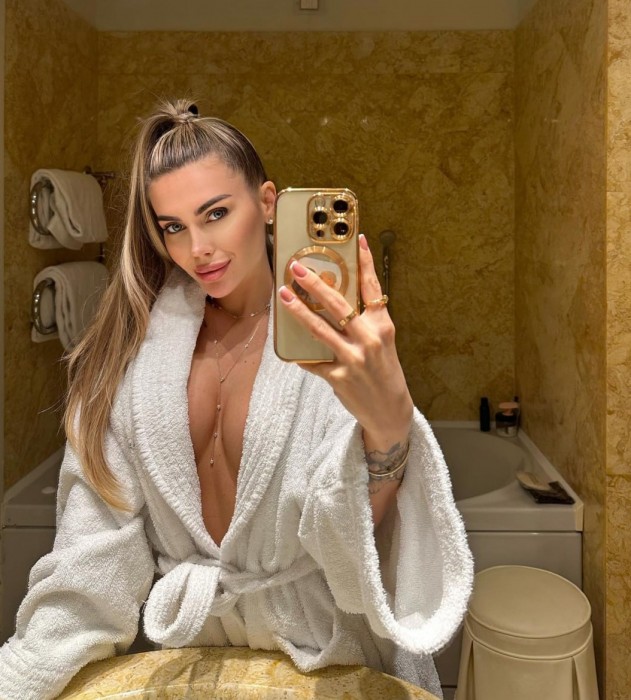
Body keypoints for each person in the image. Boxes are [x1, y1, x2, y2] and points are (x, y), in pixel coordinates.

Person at [0, 99, 473, 700]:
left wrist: (388, 428)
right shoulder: (134, 356)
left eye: (216, 213)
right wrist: (23, 676)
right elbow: (92, 557)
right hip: (189, 653)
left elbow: (345, 545)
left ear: (268, 202)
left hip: (322, 655)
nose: (197, 248)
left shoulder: (328, 342)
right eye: (173, 227)